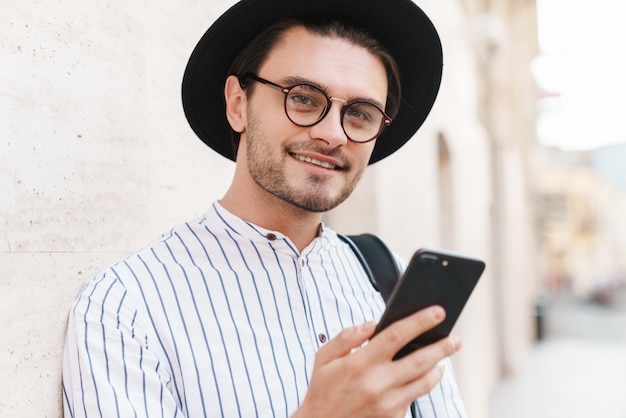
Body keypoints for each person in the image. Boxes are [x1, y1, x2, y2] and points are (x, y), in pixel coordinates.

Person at [62, 0, 468, 417]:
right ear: (238, 104)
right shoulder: (127, 306)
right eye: (304, 99)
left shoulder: (391, 280)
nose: (332, 134)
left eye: (360, 113)